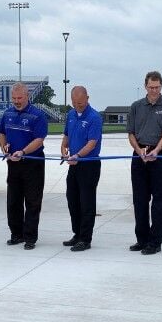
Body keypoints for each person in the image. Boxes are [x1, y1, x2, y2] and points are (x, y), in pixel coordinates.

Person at [127, 71, 162, 255]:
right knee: (139, 200)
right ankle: (142, 239)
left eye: (157, 87)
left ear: (161, 86)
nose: (154, 90)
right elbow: (131, 133)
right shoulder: (136, 106)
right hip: (139, 154)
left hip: (160, 154)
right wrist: (139, 151)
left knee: (159, 200)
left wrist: (156, 150)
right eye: (151, 87)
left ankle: (155, 242)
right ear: (145, 86)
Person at [0, 82, 48, 250]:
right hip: (13, 164)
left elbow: (39, 139)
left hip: (32, 163)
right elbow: (1, 133)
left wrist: (23, 152)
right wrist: (4, 148)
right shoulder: (7, 113)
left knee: (32, 202)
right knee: (13, 201)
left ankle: (30, 238)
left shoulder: (38, 115)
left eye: (19, 98)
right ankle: (16, 234)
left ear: (27, 96)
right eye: (14, 98)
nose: (16, 101)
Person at [60, 86, 103, 252]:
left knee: (86, 203)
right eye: (75, 103)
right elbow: (67, 136)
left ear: (87, 98)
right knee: (72, 200)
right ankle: (77, 233)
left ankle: (85, 239)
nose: (78, 106)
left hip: (88, 165)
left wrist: (77, 155)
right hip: (73, 164)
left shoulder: (94, 117)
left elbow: (92, 143)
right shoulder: (70, 115)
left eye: (81, 102)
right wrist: (63, 147)